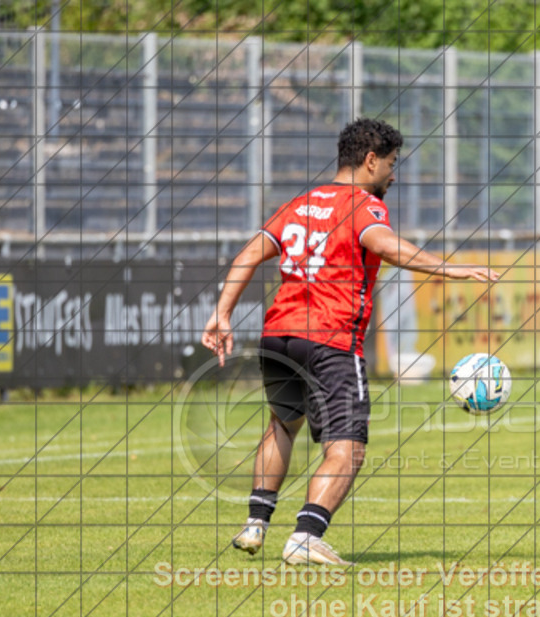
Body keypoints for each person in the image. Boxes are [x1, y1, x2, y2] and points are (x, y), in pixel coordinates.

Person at [201, 118, 498, 566]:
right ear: (370, 160)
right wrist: (452, 269)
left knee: (283, 424)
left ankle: (255, 523)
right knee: (348, 445)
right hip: (331, 338)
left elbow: (248, 255)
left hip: (278, 335)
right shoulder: (363, 206)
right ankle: (306, 535)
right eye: (391, 164)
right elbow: (388, 247)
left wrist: (222, 313)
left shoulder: (299, 203)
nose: (393, 175)